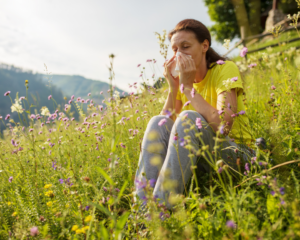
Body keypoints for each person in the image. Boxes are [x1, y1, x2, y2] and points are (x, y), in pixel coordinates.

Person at [135, 19, 255, 209]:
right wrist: (174, 88)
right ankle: (141, 211)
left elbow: (223, 127)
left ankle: (159, 212)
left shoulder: (225, 69)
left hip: (237, 156)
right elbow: (162, 130)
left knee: (188, 118)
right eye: (175, 50)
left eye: (186, 46)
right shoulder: (183, 81)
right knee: (157, 121)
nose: (179, 54)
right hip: (202, 159)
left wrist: (188, 87)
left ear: (204, 45)